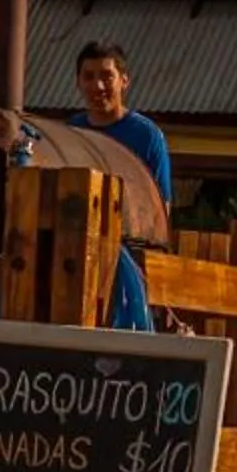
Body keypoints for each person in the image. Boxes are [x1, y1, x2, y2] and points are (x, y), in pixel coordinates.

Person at [68, 41, 164, 333]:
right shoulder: (71, 133)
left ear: (124, 81)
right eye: (88, 76)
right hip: (76, 255)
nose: (97, 86)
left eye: (106, 76)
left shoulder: (146, 136)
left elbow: (162, 208)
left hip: (131, 255)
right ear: (78, 83)